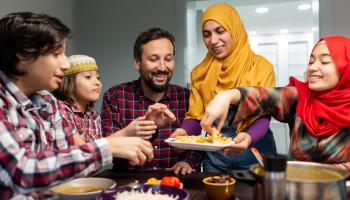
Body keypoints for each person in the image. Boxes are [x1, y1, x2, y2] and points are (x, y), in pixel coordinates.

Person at [0, 12, 153, 199]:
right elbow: (22, 173)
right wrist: (105, 148)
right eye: (57, 54)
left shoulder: (48, 103)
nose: (65, 65)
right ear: (23, 55)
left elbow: (68, 169)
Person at [201, 35, 350, 170]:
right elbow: (262, 96)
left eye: (325, 61)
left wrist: (339, 170)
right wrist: (226, 96)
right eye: (311, 61)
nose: (313, 67)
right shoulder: (300, 96)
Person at [170, 3, 276, 172]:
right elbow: (197, 117)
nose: (213, 40)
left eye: (220, 31)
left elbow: (264, 116)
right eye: (206, 34)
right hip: (216, 160)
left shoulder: (262, 67)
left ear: (234, 29)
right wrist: (184, 132)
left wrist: (249, 137)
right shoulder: (199, 73)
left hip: (255, 155)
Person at [101, 27, 201, 174]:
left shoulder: (188, 98)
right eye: (153, 59)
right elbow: (108, 150)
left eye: (168, 59)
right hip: (130, 185)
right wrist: (144, 129)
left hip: (178, 181)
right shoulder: (115, 96)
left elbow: (200, 142)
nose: (162, 67)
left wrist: (188, 162)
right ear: (137, 62)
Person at [53, 54, 103, 145]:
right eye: (88, 77)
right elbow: (84, 150)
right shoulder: (60, 110)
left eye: (98, 77)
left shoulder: (95, 117)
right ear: (69, 82)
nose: (97, 82)